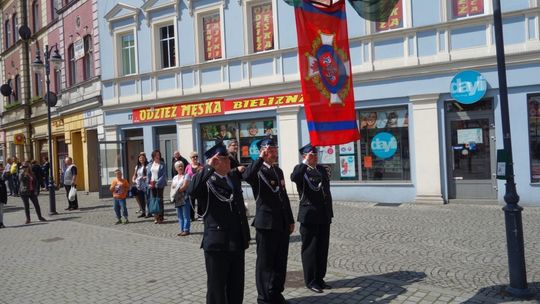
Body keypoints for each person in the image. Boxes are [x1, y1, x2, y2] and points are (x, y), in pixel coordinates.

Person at [187, 142, 250, 304]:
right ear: (216, 161)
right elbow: (192, 190)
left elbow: (239, 211)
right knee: (217, 287)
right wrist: (208, 168)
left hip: (236, 239)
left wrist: (246, 236)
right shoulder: (207, 181)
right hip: (217, 243)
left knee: (236, 284)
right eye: (225, 159)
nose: (230, 161)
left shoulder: (232, 178)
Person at [243, 138, 295, 304]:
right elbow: (246, 175)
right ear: (263, 151)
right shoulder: (257, 171)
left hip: (281, 222)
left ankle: (276, 293)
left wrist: (290, 219)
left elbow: (283, 196)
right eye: (270, 150)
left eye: (275, 149)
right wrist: (259, 158)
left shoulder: (277, 171)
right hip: (265, 223)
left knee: (280, 261)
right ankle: (264, 298)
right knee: (265, 263)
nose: (274, 153)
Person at [290, 143, 334, 294]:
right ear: (304, 156)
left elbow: (326, 192)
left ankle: (320, 278)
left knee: (322, 249)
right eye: (310, 155)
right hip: (309, 216)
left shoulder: (321, 169)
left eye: (315, 155)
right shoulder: (300, 170)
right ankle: (311, 281)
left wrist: (329, 212)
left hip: (324, 215)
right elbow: (294, 178)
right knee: (310, 250)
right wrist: (305, 163)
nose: (314, 157)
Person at [170, 161, 191, 236]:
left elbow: (185, 186)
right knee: (179, 215)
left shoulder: (186, 175)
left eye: (182, 166)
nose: (181, 167)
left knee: (186, 214)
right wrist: (177, 189)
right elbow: (172, 186)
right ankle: (181, 229)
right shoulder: (175, 177)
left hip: (184, 197)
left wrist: (177, 189)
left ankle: (186, 229)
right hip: (177, 198)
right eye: (179, 166)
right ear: (176, 168)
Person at [147, 149, 167, 224]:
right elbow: (148, 174)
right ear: (153, 156)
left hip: (160, 184)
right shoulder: (150, 164)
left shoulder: (162, 164)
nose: (158, 156)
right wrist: (148, 183)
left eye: (159, 155)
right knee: (153, 200)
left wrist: (157, 183)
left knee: (160, 200)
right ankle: (155, 217)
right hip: (152, 183)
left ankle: (161, 217)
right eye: (156, 155)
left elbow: (163, 175)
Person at [185, 151, 203, 220]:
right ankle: (191, 216)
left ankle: (200, 216)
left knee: (200, 202)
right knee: (191, 201)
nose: (195, 158)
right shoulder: (188, 167)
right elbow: (186, 176)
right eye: (193, 157)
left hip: (199, 186)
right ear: (191, 158)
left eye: (196, 156)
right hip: (191, 186)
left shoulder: (201, 166)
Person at [132, 152, 149, 218]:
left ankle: (148, 212)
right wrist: (133, 179)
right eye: (140, 158)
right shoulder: (137, 166)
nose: (141, 159)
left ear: (145, 158)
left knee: (146, 198)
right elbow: (135, 175)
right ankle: (143, 211)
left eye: (143, 158)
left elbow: (149, 175)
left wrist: (145, 177)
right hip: (138, 184)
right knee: (140, 198)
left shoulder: (147, 166)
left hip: (145, 184)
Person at [0, 164, 7, 228]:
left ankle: (1, 223)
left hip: (1, 197)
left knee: (1, 211)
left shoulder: (3, 176)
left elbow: (4, 189)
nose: (1, 170)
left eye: (2, 169)